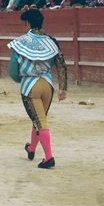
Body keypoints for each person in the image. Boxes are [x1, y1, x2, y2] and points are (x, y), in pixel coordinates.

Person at [7, 9, 68, 169]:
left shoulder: (20, 42)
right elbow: (61, 64)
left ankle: (49, 157)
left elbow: (13, 70)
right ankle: (32, 148)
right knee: (39, 118)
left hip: (30, 86)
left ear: (27, 23)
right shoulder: (51, 41)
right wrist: (63, 88)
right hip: (47, 85)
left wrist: (19, 78)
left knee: (40, 121)